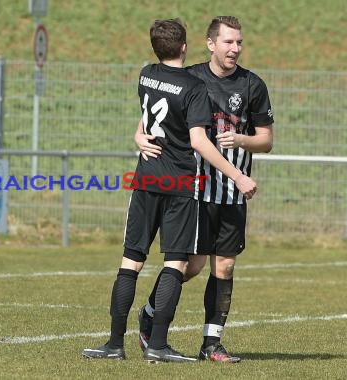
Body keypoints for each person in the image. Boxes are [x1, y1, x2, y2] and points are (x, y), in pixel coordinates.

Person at [81, 18, 257, 363]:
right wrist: (237, 175)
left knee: (130, 262)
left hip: (146, 177)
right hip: (179, 182)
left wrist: (137, 136)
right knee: (175, 263)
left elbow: (148, 117)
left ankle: (115, 343)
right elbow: (199, 142)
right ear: (185, 47)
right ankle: (158, 344)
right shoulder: (193, 87)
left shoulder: (146, 74)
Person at [135, 16, 274, 363]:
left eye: (239, 42)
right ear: (210, 44)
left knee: (224, 266)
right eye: (228, 42)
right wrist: (138, 135)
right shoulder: (191, 77)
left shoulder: (252, 85)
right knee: (191, 267)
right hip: (195, 189)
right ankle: (151, 313)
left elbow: (267, 140)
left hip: (232, 192)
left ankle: (211, 343)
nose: (235, 48)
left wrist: (242, 139)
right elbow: (152, 115)